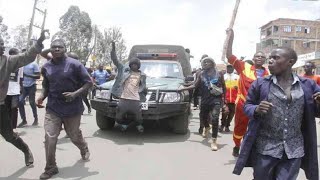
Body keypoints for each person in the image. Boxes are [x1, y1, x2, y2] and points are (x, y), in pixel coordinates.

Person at [233, 47, 319, 180]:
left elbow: (316, 112)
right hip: (265, 148)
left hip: (293, 149)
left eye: (276, 58)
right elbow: (247, 106)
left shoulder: (308, 85)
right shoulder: (261, 84)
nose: (270, 61)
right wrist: (256, 109)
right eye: (270, 58)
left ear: (290, 62)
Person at [36, 39, 92, 179]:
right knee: (49, 138)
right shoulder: (47, 66)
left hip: (72, 109)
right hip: (53, 108)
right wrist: (42, 96)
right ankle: (51, 167)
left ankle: (83, 147)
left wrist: (75, 94)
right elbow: (46, 86)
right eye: (53, 47)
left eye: (60, 47)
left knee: (74, 135)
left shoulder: (75, 64)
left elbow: (88, 83)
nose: (56, 49)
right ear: (50, 49)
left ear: (65, 48)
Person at [0, 30, 46, 167]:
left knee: (8, 135)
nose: (3, 47)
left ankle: (26, 150)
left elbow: (27, 56)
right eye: (0, 44)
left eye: (3, 44)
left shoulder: (8, 61)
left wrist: (38, 42)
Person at [226, 28, 270, 157]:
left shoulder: (268, 73)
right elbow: (229, 55)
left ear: (265, 60)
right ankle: (237, 145)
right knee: (240, 126)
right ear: (253, 58)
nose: (260, 58)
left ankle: (251, 148)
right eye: (258, 56)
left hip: (259, 107)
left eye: (262, 57)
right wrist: (231, 37)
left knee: (257, 128)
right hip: (243, 105)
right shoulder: (243, 67)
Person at [180, 57, 227, 151]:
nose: (205, 63)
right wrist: (183, 88)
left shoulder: (219, 74)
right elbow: (195, 85)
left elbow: (224, 88)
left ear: (212, 63)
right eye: (203, 62)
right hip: (205, 100)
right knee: (203, 117)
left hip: (216, 100)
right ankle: (206, 127)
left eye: (207, 62)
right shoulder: (201, 74)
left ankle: (214, 141)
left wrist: (224, 102)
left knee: (215, 118)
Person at [110, 41, 147, 133]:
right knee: (118, 116)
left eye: (136, 64)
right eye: (132, 64)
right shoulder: (123, 70)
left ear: (138, 66)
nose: (134, 65)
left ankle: (138, 125)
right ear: (130, 65)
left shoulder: (142, 75)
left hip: (136, 99)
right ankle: (124, 124)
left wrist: (144, 92)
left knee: (138, 116)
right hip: (123, 98)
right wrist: (113, 49)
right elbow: (115, 60)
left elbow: (143, 86)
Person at [18, 53, 41, 127]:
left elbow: (38, 76)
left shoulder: (34, 64)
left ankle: (36, 119)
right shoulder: (22, 65)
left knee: (31, 102)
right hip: (24, 86)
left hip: (31, 86)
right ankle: (24, 120)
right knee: (20, 101)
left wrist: (27, 75)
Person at [6, 48, 24, 130]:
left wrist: (21, 88)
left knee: (14, 109)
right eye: (17, 54)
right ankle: (7, 127)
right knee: (6, 109)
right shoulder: (4, 64)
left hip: (15, 91)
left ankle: (13, 128)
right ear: (12, 54)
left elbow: (21, 78)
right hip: (5, 90)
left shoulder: (20, 65)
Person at [219, 64, 238, 132]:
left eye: (231, 67)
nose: (230, 68)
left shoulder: (237, 77)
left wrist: (237, 88)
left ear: (233, 68)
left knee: (231, 114)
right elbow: (220, 87)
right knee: (225, 112)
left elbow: (241, 88)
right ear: (226, 68)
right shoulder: (223, 77)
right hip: (225, 99)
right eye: (228, 67)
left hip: (234, 99)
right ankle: (222, 125)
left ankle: (227, 126)